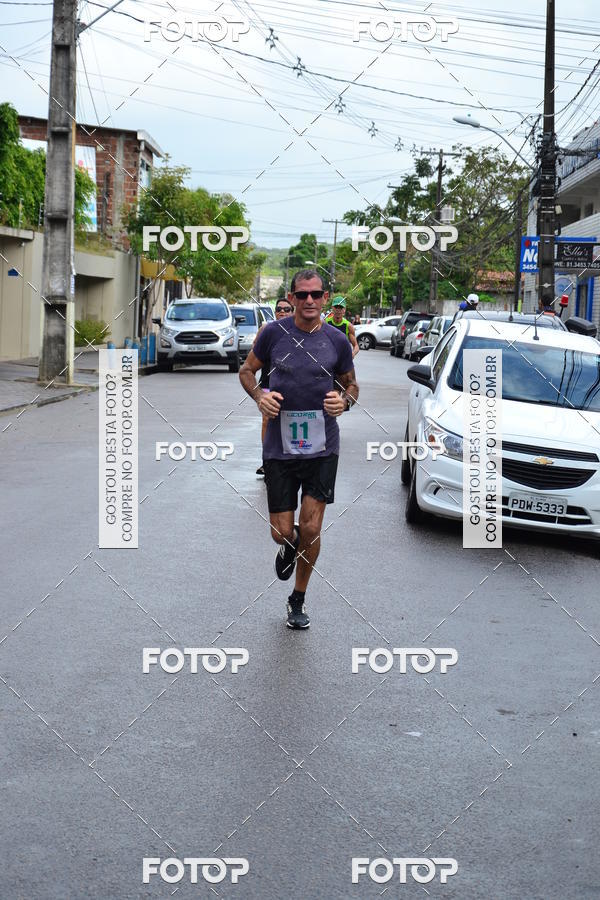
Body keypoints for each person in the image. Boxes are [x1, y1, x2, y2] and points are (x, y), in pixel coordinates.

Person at [239, 269, 359, 629]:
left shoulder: (337, 340)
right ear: (291, 298)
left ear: (325, 298)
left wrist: (345, 402)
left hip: (323, 447)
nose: (309, 300)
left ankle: (297, 598)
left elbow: (351, 386)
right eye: (302, 295)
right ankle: (287, 546)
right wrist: (260, 395)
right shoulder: (273, 333)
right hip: (280, 447)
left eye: (316, 294)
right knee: (281, 530)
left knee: (310, 528)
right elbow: (246, 371)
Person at [255, 298, 294, 477]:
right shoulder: (266, 329)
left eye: (287, 309)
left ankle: (289, 460)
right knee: (266, 421)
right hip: (268, 383)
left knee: (288, 421)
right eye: (279, 309)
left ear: (292, 311)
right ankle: (267, 461)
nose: (282, 312)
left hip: (291, 384)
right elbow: (255, 350)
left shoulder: (298, 330)